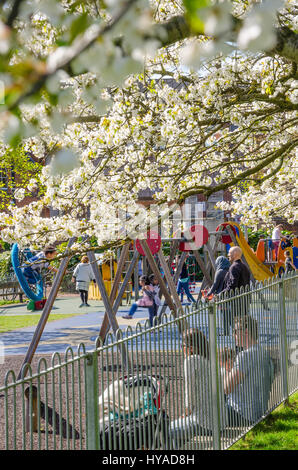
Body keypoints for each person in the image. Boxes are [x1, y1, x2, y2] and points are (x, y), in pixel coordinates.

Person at [169, 328, 219, 447]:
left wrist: (187, 411)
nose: (182, 348)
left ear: (191, 348)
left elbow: (189, 391)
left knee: (168, 430)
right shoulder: (209, 359)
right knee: (179, 429)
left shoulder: (191, 360)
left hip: (206, 423)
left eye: (183, 345)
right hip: (220, 420)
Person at [224, 315, 272, 426]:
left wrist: (227, 369)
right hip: (258, 409)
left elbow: (226, 388)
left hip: (241, 413)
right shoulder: (262, 351)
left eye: (235, 331)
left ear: (245, 332)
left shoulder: (244, 355)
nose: (233, 335)